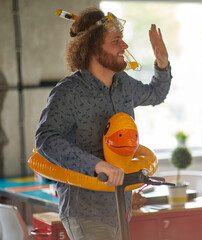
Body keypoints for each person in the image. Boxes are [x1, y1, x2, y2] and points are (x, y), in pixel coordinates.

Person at [35, 7, 171, 240]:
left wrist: (162, 63)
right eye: (116, 41)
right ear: (93, 47)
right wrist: (97, 165)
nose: (125, 47)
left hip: (119, 207)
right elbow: (46, 139)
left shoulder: (123, 84)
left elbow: (156, 94)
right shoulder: (69, 92)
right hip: (85, 210)